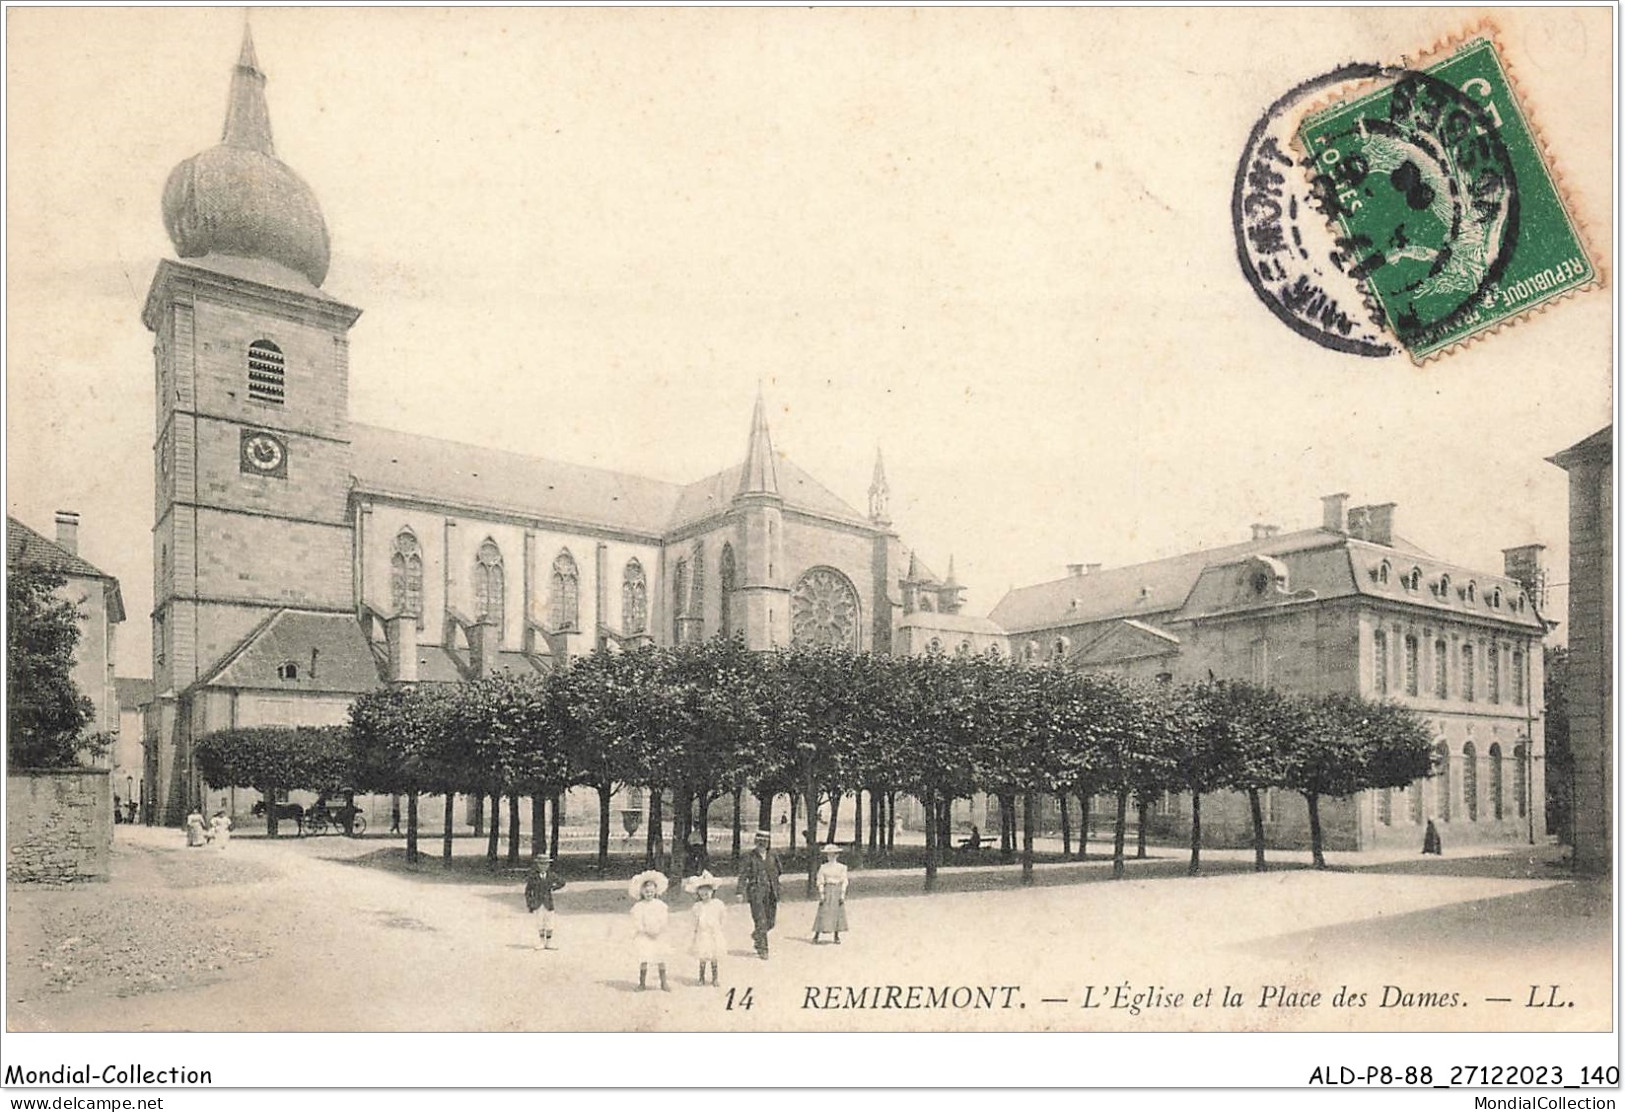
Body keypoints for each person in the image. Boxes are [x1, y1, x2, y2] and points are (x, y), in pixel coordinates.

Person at [736, 829, 782, 959]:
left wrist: (773, 882)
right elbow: (743, 874)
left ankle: (757, 935)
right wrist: (740, 891)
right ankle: (763, 949)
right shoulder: (749, 856)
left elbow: (779, 870)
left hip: (771, 892)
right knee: (760, 921)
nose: (762, 844)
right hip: (755, 892)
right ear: (756, 842)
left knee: (771, 922)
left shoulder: (773, 855)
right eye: (760, 842)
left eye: (765, 842)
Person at [628, 869, 671, 991]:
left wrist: (658, 929)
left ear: (656, 891)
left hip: (658, 935)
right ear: (642, 892)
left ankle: (663, 983)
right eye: (646, 892)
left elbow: (664, 919)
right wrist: (644, 930)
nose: (649, 894)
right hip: (645, 935)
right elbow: (637, 921)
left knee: (660, 957)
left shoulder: (660, 905)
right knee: (644, 958)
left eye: (651, 891)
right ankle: (642, 983)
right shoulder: (639, 907)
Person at [684, 870, 726, 986]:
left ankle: (715, 978)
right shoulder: (698, 906)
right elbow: (694, 920)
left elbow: (722, 917)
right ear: (698, 895)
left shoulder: (717, 904)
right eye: (702, 894)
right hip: (703, 933)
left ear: (712, 891)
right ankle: (701, 978)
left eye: (707, 893)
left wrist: (718, 927)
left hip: (713, 933)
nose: (705, 896)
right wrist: (695, 930)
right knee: (702, 955)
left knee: (714, 955)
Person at [524, 856, 566, 950]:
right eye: (541, 864)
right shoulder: (533, 877)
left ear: (548, 865)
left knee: (550, 922)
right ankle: (541, 942)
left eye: (546, 864)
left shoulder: (551, 875)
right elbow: (527, 891)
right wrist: (530, 903)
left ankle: (549, 942)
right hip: (538, 902)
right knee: (540, 922)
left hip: (548, 902)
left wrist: (553, 887)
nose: (544, 866)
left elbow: (562, 882)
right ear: (537, 865)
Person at [812, 843, 849, 944]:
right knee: (823, 912)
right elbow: (820, 880)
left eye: (833, 855)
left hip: (837, 890)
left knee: (837, 912)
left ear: (837, 855)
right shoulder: (823, 867)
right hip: (827, 890)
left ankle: (836, 936)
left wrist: (842, 894)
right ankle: (816, 935)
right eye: (829, 855)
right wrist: (821, 893)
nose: (831, 857)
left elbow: (844, 880)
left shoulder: (842, 867)